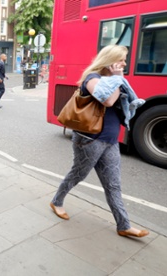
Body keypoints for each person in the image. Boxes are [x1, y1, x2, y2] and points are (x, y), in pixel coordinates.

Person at [50, 45, 149, 238]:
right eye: (121, 60)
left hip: (110, 141)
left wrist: (117, 79)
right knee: (77, 175)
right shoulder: (92, 79)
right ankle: (57, 201)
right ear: (110, 61)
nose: (124, 64)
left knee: (113, 185)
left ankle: (123, 225)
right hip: (90, 140)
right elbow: (107, 101)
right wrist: (116, 78)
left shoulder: (113, 80)